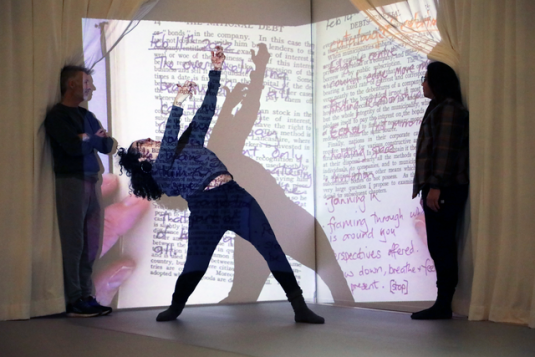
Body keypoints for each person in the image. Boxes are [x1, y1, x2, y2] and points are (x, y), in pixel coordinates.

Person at [117, 46, 324, 324]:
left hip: (235, 197)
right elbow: (167, 144)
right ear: (143, 161)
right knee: (196, 265)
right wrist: (177, 103)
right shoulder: (161, 174)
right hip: (205, 211)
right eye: (144, 146)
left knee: (270, 247)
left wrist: (215, 70)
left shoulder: (189, 143)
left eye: (147, 140)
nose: (151, 142)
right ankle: (176, 307)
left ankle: (299, 306)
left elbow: (207, 110)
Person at [45, 65, 115, 317]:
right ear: (71, 84)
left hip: (92, 180)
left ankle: (87, 295)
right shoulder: (57, 116)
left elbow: (108, 144)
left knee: (92, 243)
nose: (92, 87)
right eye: (87, 82)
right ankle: (75, 300)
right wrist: (89, 139)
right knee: (74, 243)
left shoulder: (87, 115)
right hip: (71, 181)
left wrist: (87, 138)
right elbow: (72, 148)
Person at [411, 61, 469, 320]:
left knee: (442, 245)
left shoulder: (448, 109)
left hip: (444, 189)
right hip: (437, 188)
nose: (422, 84)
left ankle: (443, 304)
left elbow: (445, 151)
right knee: (438, 245)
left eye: (425, 79)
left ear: (437, 82)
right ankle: (442, 303)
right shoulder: (437, 107)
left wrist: (435, 186)